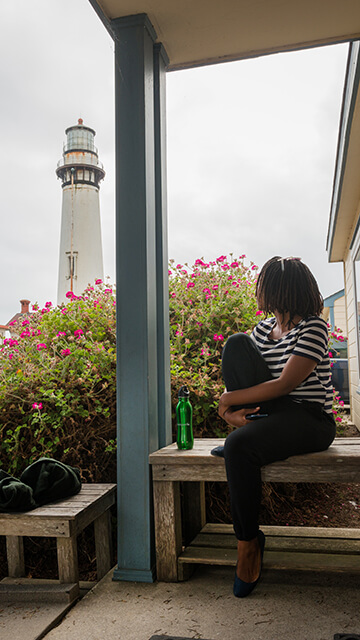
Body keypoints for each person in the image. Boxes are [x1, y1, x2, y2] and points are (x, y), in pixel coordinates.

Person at [213, 256, 336, 598]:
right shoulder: (263, 330)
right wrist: (232, 412)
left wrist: (228, 398)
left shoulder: (314, 327)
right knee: (237, 343)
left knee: (238, 448)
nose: (260, 293)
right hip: (274, 415)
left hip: (310, 419)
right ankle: (248, 432)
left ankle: (249, 545)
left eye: (265, 286)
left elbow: (284, 385)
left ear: (280, 290)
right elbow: (253, 379)